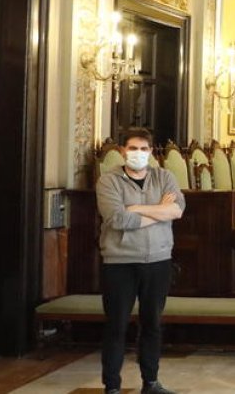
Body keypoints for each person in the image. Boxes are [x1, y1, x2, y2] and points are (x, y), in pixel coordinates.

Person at [96, 128, 185, 394]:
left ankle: (151, 382)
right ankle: (112, 386)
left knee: (153, 324)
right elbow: (117, 219)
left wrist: (135, 209)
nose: (138, 154)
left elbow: (177, 210)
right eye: (133, 148)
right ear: (123, 152)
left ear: (151, 152)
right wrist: (159, 211)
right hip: (120, 262)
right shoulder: (108, 181)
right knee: (116, 325)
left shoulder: (164, 176)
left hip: (158, 259)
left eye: (143, 149)